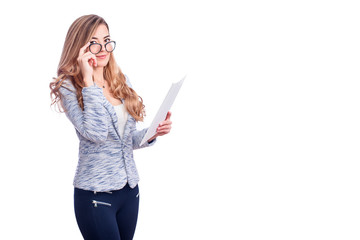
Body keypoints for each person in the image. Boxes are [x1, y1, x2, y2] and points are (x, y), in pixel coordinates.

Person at [49, 14, 172, 240]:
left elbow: (125, 140)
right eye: (94, 42)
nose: (104, 48)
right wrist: (89, 80)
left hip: (129, 191)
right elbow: (95, 133)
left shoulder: (120, 80)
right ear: (80, 47)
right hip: (96, 195)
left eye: (106, 40)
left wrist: (153, 132)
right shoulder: (70, 87)